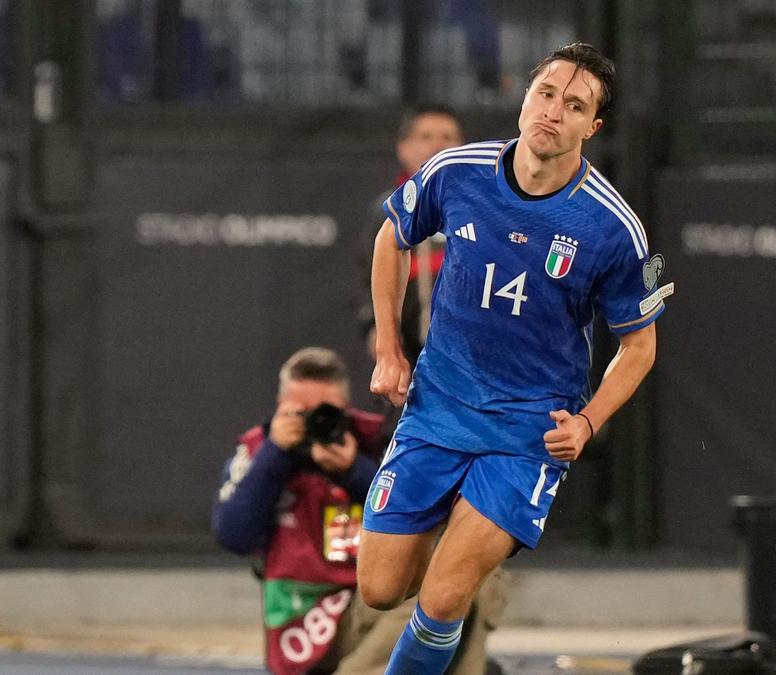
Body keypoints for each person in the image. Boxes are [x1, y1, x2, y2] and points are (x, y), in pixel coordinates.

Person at [362, 42, 669, 674]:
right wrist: (390, 350)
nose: (553, 111)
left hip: (527, 430)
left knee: (443, 597)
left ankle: (469, 550)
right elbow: (392, 236)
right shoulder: (457, 171)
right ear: (526, 97)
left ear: (592, 127)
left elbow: (639, 345)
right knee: (381, 589)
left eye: (574, 105)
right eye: (546, 94)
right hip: (437, 406)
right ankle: (459, 535)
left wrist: (588, 422)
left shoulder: (613, 227)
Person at [212, 348, 506, 674]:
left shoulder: (375, 442)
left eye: (327, 412)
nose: (316, 422)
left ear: (346, 408)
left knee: (462, 570)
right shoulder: (259, 450)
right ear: (281, 406)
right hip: (302, 616)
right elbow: (233, 535)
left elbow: (424, 515)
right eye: (301, 413)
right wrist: (276, 455)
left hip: (369, 602)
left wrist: (354, 471)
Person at [359, 105, 465, 364]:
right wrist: (376, 330)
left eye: (448, 137)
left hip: (468, 358)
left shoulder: (477, 209)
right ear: (403, 148)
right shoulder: (387, 213)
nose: (438, 145)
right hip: (407, 355)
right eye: (426, 137)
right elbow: (367, 281)